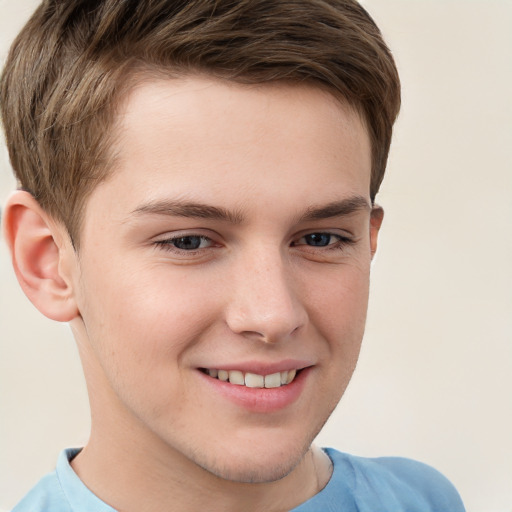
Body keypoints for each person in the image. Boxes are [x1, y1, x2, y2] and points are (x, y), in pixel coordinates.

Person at [0, 1, 466, 510]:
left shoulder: (424, 502)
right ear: (46, 261)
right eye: (188, 242)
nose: (273, 314)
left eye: (320, 239)